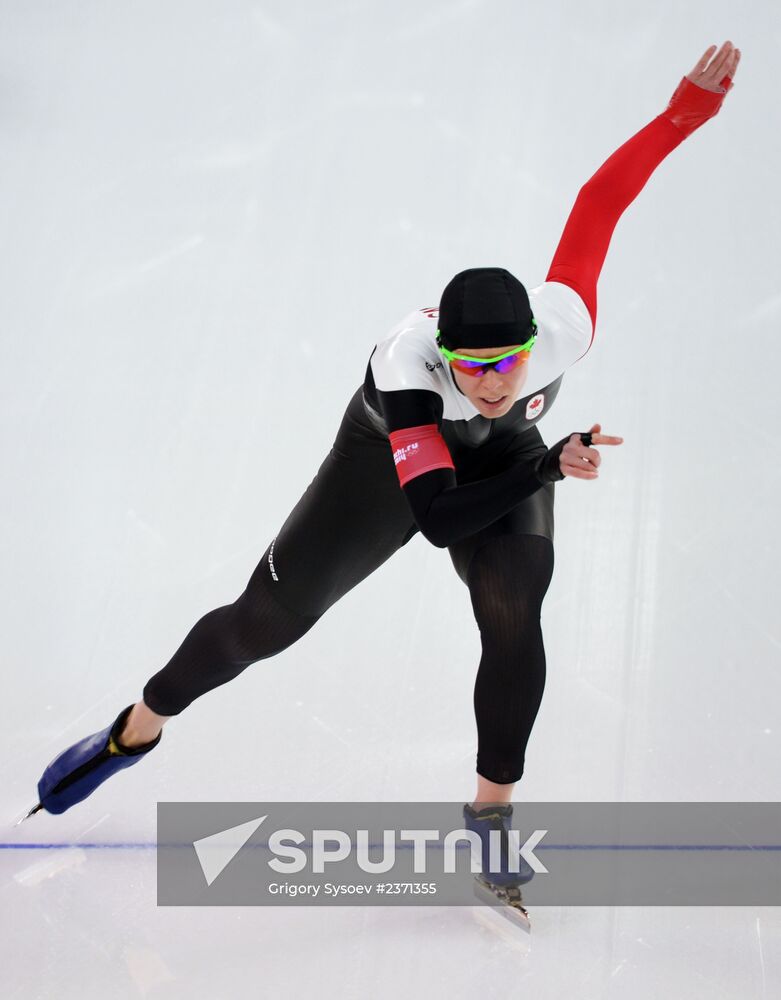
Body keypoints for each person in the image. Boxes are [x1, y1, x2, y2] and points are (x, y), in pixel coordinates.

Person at [30, 42, 741, 837]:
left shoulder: (563, 325)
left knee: (513, 608)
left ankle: (490, 813)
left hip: (503, 455)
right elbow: (437, 521)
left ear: (532, 340)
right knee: (264, 623)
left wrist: (684, 113)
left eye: (506, 363)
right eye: (471, 367)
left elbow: (599, 200)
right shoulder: (409, 369)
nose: (492, 383)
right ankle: (138, 725)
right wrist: (544, 464)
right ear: (444, 355)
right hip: (384, 466)